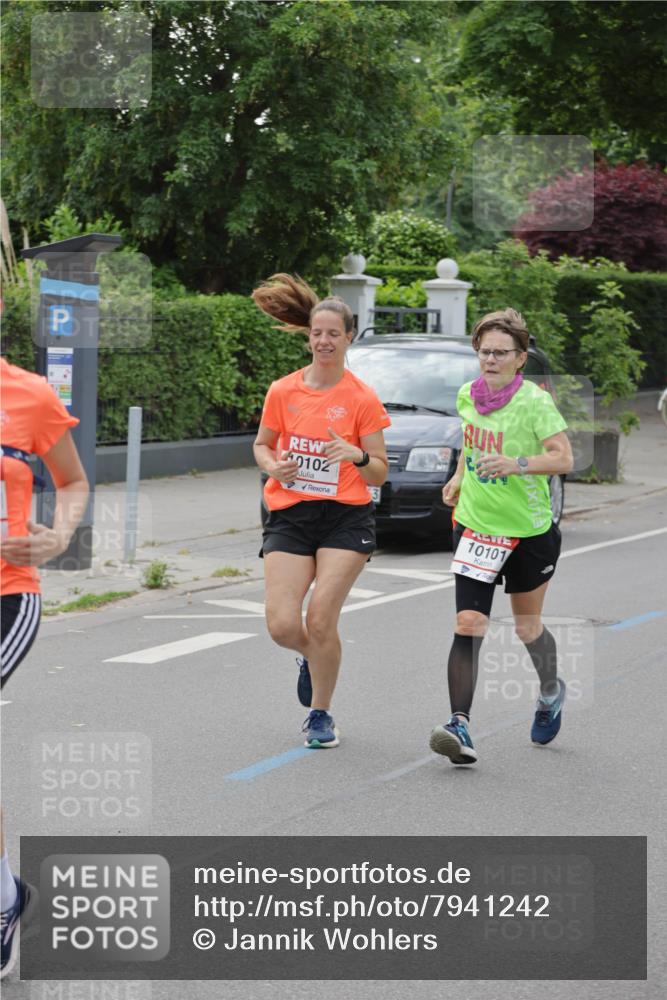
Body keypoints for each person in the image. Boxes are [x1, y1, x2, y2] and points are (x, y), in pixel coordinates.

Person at [252, 274, 390, 748]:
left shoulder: (361, 398)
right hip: (291, 513)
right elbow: (262, 446)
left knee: (321, 618)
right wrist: (276, 466)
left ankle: (320, 714)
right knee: (283, 625)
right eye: (317, 333)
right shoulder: (283, 391)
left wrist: (355, 456)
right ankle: (311, 658)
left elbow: (379, 473)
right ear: (308, 337)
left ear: (349, 338)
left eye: (334, 333)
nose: (324, 341)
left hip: (344, 518)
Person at [430, 309, 573, 766]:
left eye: (500, 353)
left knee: (527, 627)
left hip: (528, 532)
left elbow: (564, 458)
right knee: (469, 624)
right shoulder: (466, 396)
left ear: (520, 358)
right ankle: (459, 725)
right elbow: (471, 445)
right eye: (484, 351)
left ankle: (551, 691)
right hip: (475, 527)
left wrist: (519, 464)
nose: (490, 359)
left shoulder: (535, 402)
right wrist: (458, 477)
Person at [1, 354, 89, 978]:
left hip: (8, 592)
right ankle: (9, 893)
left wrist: (59, 537)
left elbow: (74, 482)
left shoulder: (29, 396)